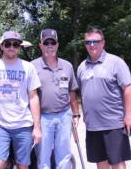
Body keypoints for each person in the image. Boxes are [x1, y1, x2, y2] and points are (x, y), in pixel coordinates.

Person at [0, 31, 42, 169]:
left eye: (16, 44)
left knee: (23, 165)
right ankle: (9, 163)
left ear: (19, 47)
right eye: (8, 44)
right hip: (0, 126)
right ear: (1, 46)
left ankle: (13, 163)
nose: (12, 47)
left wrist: (37, 128)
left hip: (23, 125)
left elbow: (34, 97)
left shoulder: (28, 67)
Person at [77, 27, 131, 169]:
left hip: (114, 123)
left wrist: (129, 115)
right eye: (88, 42)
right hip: (92, 125)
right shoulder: (81, 67)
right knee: (100, 161)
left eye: (95, 41)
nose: (92, 45)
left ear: (103, 43)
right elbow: (81, 93)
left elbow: (128, 89)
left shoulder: (115, 62)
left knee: (117, 161)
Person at [31, 29, 79, 169]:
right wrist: (35, 124)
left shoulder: (67, 66)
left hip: (64, 115)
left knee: (64, 155)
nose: (50, 46)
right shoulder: (32, 67)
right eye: (46, 43)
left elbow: (72, 92)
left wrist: (75, 114)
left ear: (57, 45)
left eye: (53, 42)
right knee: (43, 157)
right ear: (41, 45)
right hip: (43, 118)